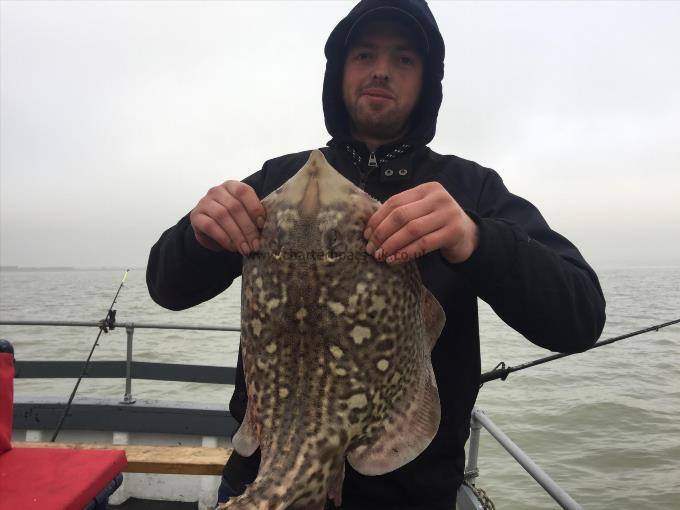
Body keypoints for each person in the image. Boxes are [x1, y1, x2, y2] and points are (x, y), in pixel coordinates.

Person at [147, 1, 606, 508]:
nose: (382, 70)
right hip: (264, 472)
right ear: (339, 72)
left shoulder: (468, 190)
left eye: (404, 59)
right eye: (364, 54)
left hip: (411, 493)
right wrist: (199, 236)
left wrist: (477, 240)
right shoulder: (279, 182)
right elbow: (166, 288)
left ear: (427, 81)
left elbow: (580, 318)